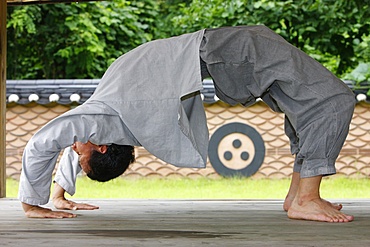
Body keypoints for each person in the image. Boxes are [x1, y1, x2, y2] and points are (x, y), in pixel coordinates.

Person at [18, 25, 356, 222]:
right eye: (80, 157)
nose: (74, 152)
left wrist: (53, 195)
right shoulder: (101, 119)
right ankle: (304, 197)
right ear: (102, 145)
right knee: (332, 99)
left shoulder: (112, 122)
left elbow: (58, 142)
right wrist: (33, 203)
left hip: (218, 51)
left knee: (304, 103)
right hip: (228, 49)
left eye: (76, 157)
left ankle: (300, 195)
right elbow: (48, 142)